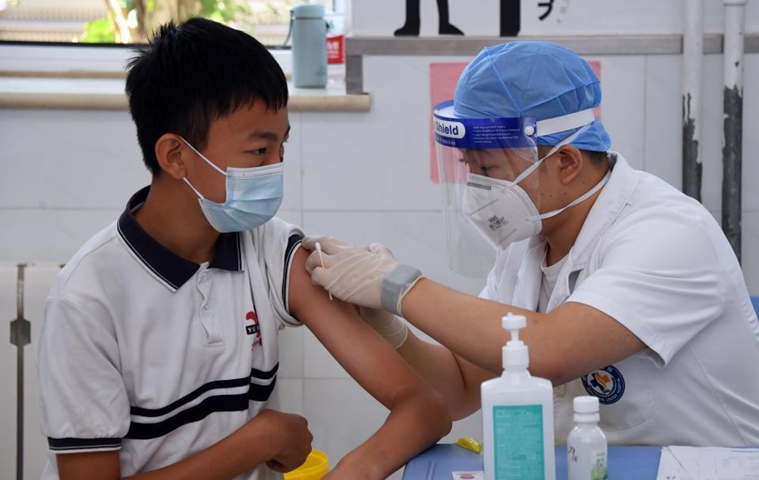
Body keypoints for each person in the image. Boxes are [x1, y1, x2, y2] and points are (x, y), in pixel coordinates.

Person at [304, 41, 759, 447]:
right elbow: (461, 388)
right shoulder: (528, 241)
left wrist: (398, 286)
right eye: (470, 169)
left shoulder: (669, 232)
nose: (477, 187)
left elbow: (549, 348)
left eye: (489, 170)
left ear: (566, 162)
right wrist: (392, 328)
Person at [35, 18, 450, 480]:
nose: (275, 168)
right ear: (176, 156)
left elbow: (424, 406)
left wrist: (355, 471)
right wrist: (259, 440)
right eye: (258, 152)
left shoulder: (270, 249)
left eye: (282, 148)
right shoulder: (87, 300)